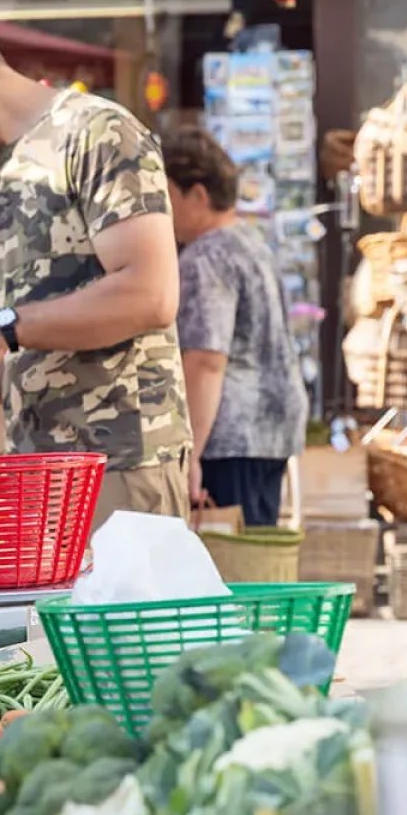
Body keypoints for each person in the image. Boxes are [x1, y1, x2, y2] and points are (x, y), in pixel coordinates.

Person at [0, 19, 192, 524]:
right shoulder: (4, 170)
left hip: (119, 466)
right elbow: (38, 345)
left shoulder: (98, 132)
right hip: (37, 474)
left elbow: (150, 295)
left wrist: (0, 330)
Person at [164, 127, 307, 526]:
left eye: (167, 194)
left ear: (198, 194)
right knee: (256, 555)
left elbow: (207, 359)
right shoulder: (252, 243)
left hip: (229, 433)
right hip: (272, 427)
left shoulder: (205, 257)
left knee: (232, 563)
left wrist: (190, 452)